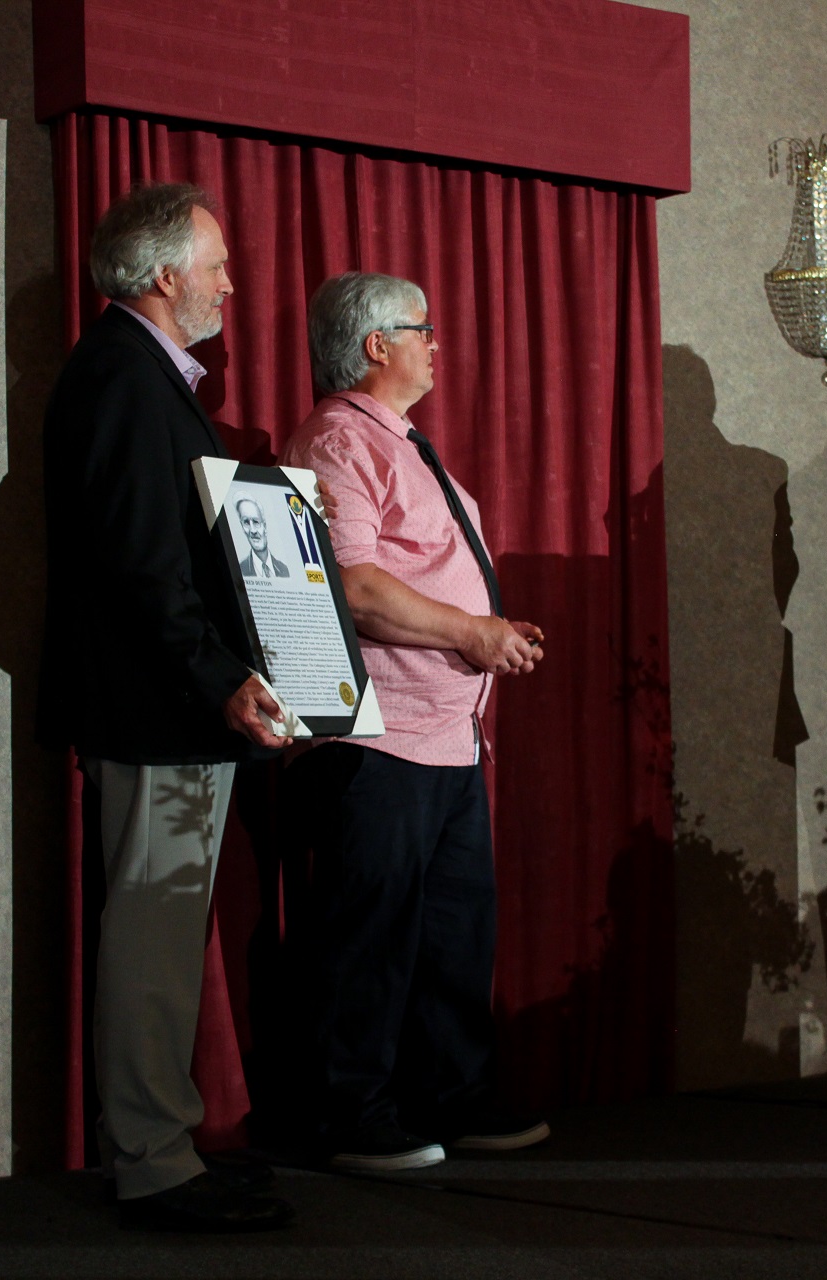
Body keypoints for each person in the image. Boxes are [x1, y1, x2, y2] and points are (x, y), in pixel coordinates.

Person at [39, 183, 302, 1231]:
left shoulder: (142, 376)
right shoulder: (121, 376)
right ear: (163, 275)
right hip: (153, 711)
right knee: (151, 944)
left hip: (167, 706)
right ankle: (152, 1162)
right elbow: (143, 565)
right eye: (217, 262)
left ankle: (167, 1143)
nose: (230, 283)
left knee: (163, 938)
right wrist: (220, 678)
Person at [277, 271, 548, 1172]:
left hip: (448, 736)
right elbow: (351, 586)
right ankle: (350, 1115)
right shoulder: (337, 441)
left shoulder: (401, 441)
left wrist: (489, 632)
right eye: (422, 329)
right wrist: (473, 631)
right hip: (378, 738)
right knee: (371, 941)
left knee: (453, 940)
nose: (436, 344)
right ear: (376, 345)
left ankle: (452, 1099)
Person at [236, 497, 290, 578]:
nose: (253, 530)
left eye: (256, 522)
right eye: (246, 522)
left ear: (265, 526)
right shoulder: (240, 570)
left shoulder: (285, 570)